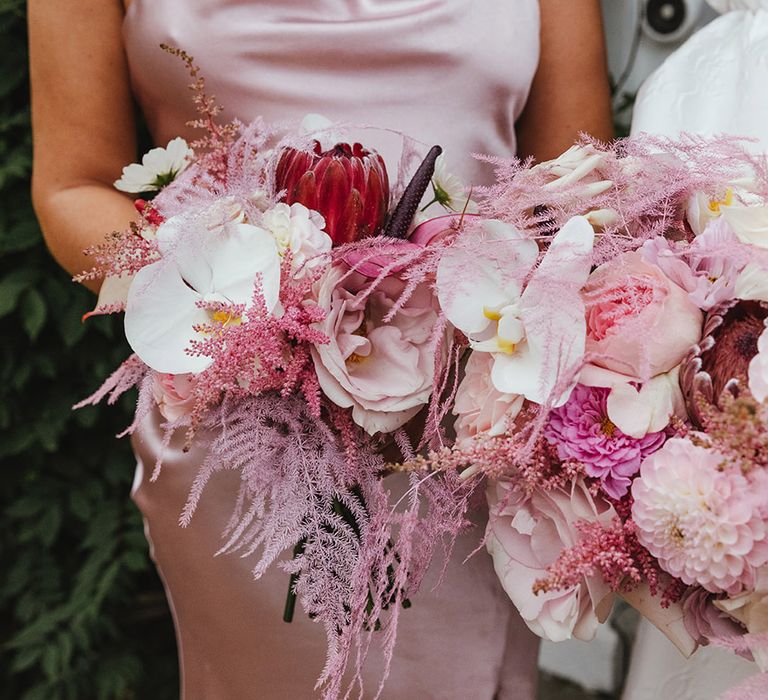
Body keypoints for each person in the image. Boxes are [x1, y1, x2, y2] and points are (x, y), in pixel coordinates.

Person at [28, 1, 613, 698]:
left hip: (476, 426)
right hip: (238, 420)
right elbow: (72, 185)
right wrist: (259, 303)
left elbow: (576, 201)